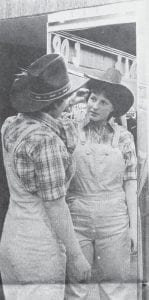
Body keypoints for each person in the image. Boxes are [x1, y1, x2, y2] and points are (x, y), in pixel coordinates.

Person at [0, 53, 91, 300]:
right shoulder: (47, 142)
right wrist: (76, 256)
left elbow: (46, 122)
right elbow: (55, 205)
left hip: (12, 241)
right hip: (40, 250)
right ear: (57, 103)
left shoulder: (11, 124)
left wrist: (65, 103)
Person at [65, 68, 137, 300]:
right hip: (77, 218)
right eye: (93, 98)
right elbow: (48, 117)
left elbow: (130, 185)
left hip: (114, 221)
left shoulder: (124, 138)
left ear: (113, 108)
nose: (95, 106)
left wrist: (133, 228)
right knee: (77, 285)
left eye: (103, 102)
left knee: (115, 287)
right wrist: (69, 100)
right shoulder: (72, 129)